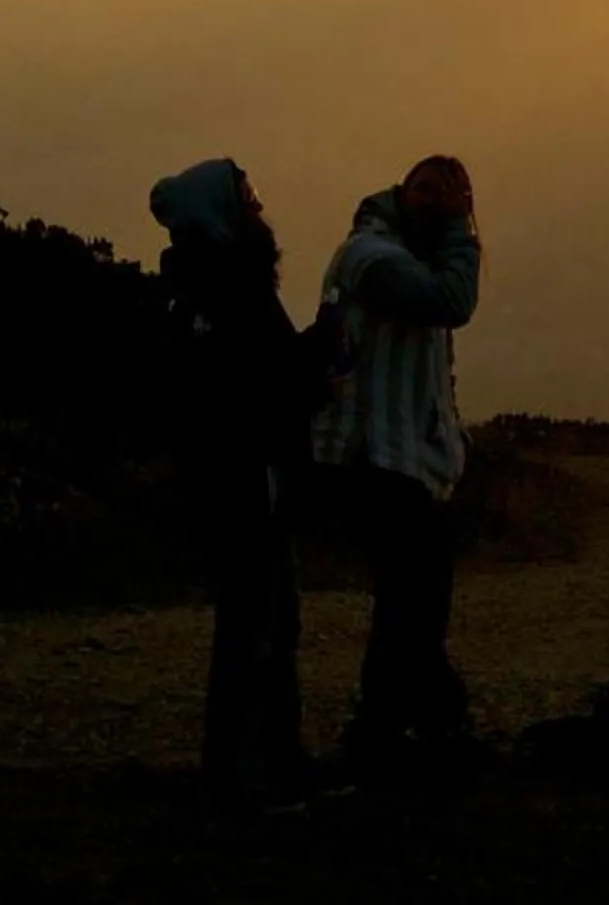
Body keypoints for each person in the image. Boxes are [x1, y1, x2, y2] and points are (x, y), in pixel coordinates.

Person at [150, 157, 333, 814]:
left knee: (266, 626)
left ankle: (267, 769)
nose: (259, 207)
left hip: (239, 485)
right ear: (220, 212)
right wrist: (322, 355)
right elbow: (260, 387)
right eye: (248, 197)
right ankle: (248, 777)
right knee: (257, 630)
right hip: (247, 486)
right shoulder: (231, 289)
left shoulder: (202, 287)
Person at [313, 153, 484, 784]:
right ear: (399, 191)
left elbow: (433, 366)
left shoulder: (404, 257)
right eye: (425, 189)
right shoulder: (370, 255)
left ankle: (407, 730)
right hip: (373, 458)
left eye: (449, 193)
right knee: (412, 597)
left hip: (401, 459)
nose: (434, 202)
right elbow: (452, 301)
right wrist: (463, 230)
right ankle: (401, 731)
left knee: (413, 599)